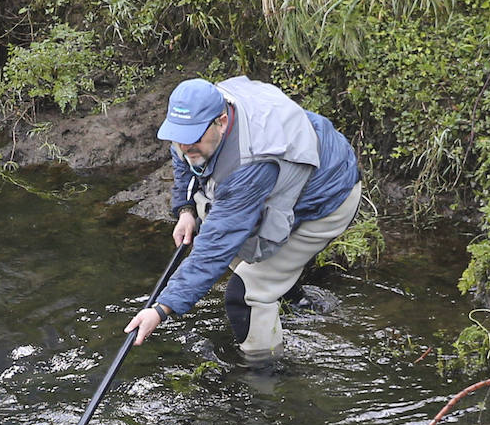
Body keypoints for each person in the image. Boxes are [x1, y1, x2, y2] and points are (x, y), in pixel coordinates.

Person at [125, 77, 362, 362]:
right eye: (179, 137)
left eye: (194, 139)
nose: (185, 146)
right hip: (291, 174)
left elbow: (216, 247)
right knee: (214, 219)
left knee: (244, 295)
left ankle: (267, 372)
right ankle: (292, 296)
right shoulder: (201, 116)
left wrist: (161, 308)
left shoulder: (250, 164)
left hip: (326, 199)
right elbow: (183, 156)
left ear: (222, 121)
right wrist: (185, 210)